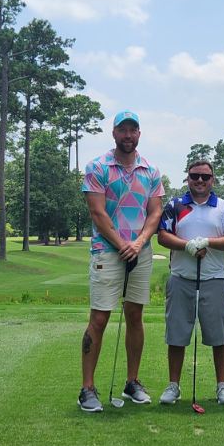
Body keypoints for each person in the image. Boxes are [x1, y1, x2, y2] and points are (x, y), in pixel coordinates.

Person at [78, 110, 164, 413]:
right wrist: (122, 245)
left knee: (135, 316)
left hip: (139, 253)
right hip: (106, 251)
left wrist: (138, 244)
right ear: (113, 133)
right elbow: (97, 213)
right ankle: (87, 388)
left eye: (133, 130)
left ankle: (132, 382)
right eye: (122, 130)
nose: (128, 135)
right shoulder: (98, 167)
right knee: (99, 318)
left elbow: (155, 213)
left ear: (139, 134)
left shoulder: (151, 171)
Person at [157, 161, 224, 406]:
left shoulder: (223, 208)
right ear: (188, 178)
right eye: (195, 176)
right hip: (181, 278)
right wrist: (187, 245)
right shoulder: (176, 205)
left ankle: (222, 385)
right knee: (176, 334)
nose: (200, 181)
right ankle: (173, 385)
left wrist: (207, 242)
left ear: (212, 179)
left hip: (213, 279)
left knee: (218, 335)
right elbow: (163, 235)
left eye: (205, 176)